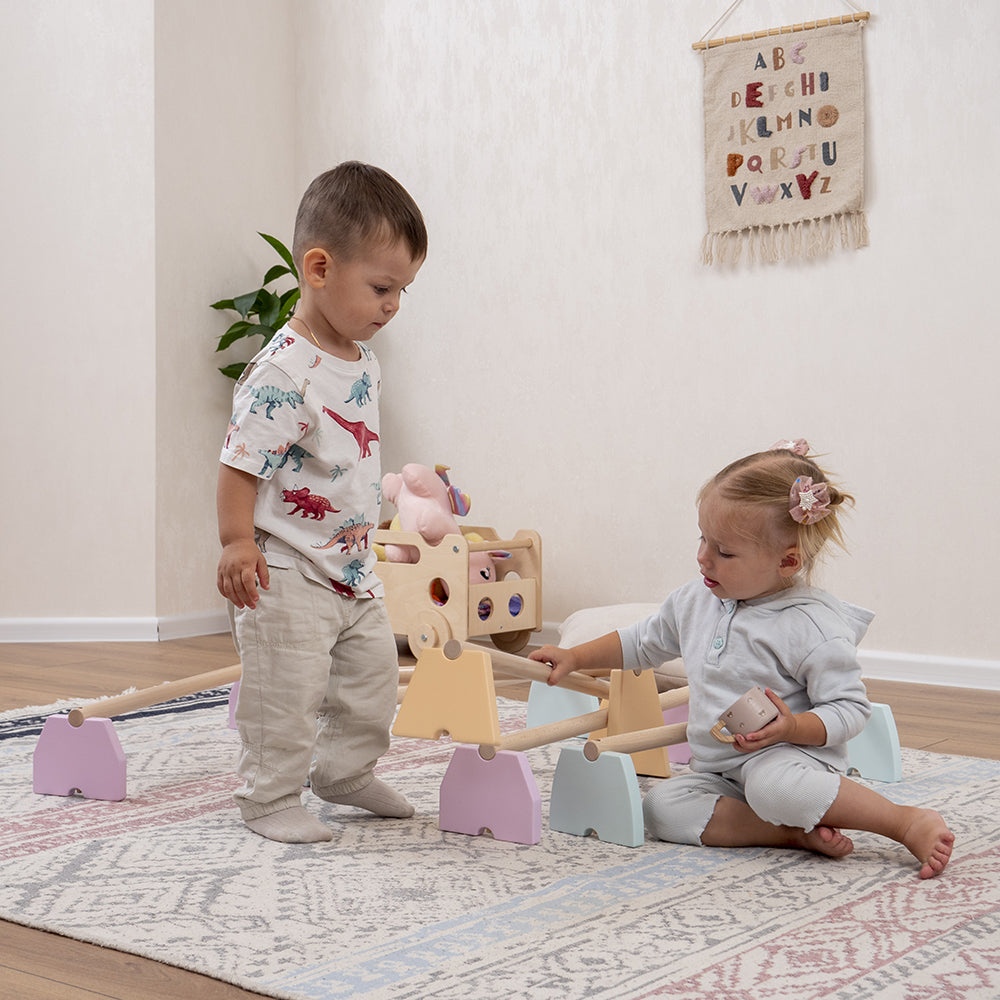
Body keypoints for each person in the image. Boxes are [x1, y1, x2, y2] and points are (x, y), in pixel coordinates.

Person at [530, 440, 954, 878]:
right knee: (662, 808)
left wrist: (790, 727)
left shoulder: (811, 625)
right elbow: (643, 642)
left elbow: (849, 710)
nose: (702, 557)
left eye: (724, 551)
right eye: (702, 538)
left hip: (789, 761)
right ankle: (792, 834)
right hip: (719, 770)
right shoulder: (696, 600)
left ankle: (903, 820)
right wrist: (574, 656)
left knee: (773, 788)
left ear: (787, 561)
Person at [216, 162, 427, 843]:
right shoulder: (281, 372)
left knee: (372, 683)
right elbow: (240, 466)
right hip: (288, 567)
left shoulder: (362, 359)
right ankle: (269, 796)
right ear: (318, 267)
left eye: (402, 291)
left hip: (351, 564)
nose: (393, 304)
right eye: (382, 287)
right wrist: (236, 542)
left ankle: (344, 771)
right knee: (287, 691)